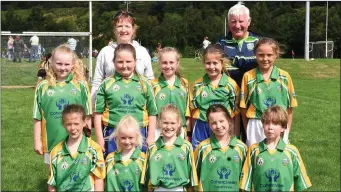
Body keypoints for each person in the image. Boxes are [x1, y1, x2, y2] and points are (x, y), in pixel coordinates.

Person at [33, 44, 92, 174]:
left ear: (73, 65)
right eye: (59, 64)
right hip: (50, 142)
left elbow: (87, 116)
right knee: (53, 176)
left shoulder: (80, 86)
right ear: (51, 63)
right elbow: (37, 117)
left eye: (66, 64)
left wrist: (87, 139)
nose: (63, 68)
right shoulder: (43, 87)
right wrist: (37, 141)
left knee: (76, 175)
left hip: (77, 141)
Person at [94, 43, 157, 155]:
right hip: (112, 132)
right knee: (112, 166)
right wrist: (99, 138)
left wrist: (151, 136)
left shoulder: (145, 84)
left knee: (138, 166)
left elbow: (152, 112)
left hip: (139, 132)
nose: (124, 65)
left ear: (135, 62)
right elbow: (98, 113)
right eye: (120, 62)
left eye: (128, 62)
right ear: (113, 62)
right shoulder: (106, 84)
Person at [240, 38, 297, 146]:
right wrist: (248, 129)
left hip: (278, 124)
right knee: (256, 157)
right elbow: (243, 108)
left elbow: (290, 108)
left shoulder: (285, 77)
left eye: (269, 55)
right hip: (256, 123)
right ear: (255, 55)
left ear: (276, 55)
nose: (265, 59)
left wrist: (286, 130)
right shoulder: (248, 76)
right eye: (261, 55)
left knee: (277, 158)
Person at [240, 105, 312, 191]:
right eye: (267, 123)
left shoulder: (292, 152)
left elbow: (301, 182)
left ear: (283, 127)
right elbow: (246, 182)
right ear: (262, 125)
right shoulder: (254, 150)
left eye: (275, 123)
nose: (270, 127)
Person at [91, 10, 154, 106]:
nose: (123, 30)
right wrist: (93, 108)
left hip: (138, 109)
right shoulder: (105, 52)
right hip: (111, 110)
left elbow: (150, 81)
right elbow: (97, 83)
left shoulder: (142, 52)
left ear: (133, 29)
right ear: (114, 30)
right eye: (119, 26)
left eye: (127, 26)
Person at [217, 2, 259, 144]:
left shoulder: (258, 42)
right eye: (233, 21)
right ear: (229, 23)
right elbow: (214, 62)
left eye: (241, 21)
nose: (237, 25)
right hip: (228, 100)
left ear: (249, 21)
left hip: (252, 100)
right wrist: (249, 61)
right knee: (228, 140)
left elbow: (262, 61)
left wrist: (233, 60)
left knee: (251, 140)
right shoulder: (221, 43)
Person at [190, 44, 240, 150]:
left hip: (223, 127)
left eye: (215, 63)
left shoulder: (231, 85)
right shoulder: (197, 85)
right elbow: (192, 111)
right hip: (202, 126)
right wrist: (191, 133)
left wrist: (235, 134)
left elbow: (236, 113)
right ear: (204, 64)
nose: (211, 67)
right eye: (208, 63)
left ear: (222, 64)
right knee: (200, 154)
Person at [47, 104, 105, 191]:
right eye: (69, 124)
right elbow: (52, 184)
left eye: (76, 123)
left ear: (84, 122)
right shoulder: (55, 152)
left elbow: (99, 178)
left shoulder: (94, 149)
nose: (73, 128)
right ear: (63, 124)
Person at [141, 104, 198, 191]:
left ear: (179, 123)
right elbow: (146, 178)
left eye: (172, 123)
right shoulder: (152, 147)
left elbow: (192, 177)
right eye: (165, 123)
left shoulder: (186, 146)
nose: (169, 126)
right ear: (159, 122)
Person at [194, 104, 247, 191]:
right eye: (214, 123)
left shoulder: (242, 148)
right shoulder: (202, 148)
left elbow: (245, 179)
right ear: (209, 125)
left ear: (229, 120)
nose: (218, 126)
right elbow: (194, 177)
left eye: (221, 121)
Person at [151, 47, 191, 139]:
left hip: (180, 130)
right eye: (164, 62)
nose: (168, 66)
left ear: (177, 63)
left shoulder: (184, 84)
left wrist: (189, 133)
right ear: (159, 63)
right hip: (159, 130)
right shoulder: (153, 85)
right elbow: (151, 112)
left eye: (171, 62)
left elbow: (188, 112)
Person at [105, 115, 146, 191]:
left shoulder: (143, 159)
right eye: (123, 138)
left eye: (130, 138)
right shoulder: (110, 159)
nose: (127, 141)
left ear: (137, 137)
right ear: (117, 137)